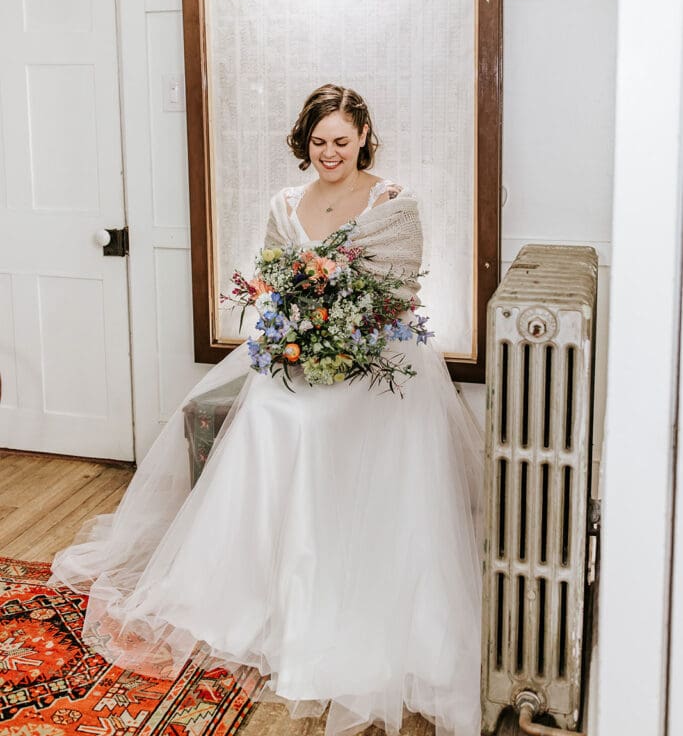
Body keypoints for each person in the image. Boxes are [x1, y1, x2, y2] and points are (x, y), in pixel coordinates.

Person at [51, 84, 483, 736]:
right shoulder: (286, 204)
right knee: (274, 415)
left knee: (329, 424)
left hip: (377, 363)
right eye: (317, 143)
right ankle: (267, 592)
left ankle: (352, 598)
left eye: (341, 140)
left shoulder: (394, 203)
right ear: (303, 143)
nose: (330, 153)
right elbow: (273, 282)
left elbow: (396, 291)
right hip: (301, 354)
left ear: (363, 133)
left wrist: (344, 333)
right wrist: (297, 333)